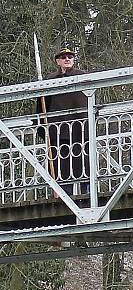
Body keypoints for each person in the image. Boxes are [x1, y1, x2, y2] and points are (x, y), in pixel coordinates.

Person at [34, 45, 89, 193]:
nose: (67, 59)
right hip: (58, 131)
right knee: (61, 165)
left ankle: (87, 193)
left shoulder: (82, 76)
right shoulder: (50, 79)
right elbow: (42, 105)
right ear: (58, 61)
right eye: (63, 57)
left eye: (70, 57)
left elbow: (90, 100)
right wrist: (41, 126)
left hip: (80, 128)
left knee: (83, 162)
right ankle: (64, 194)